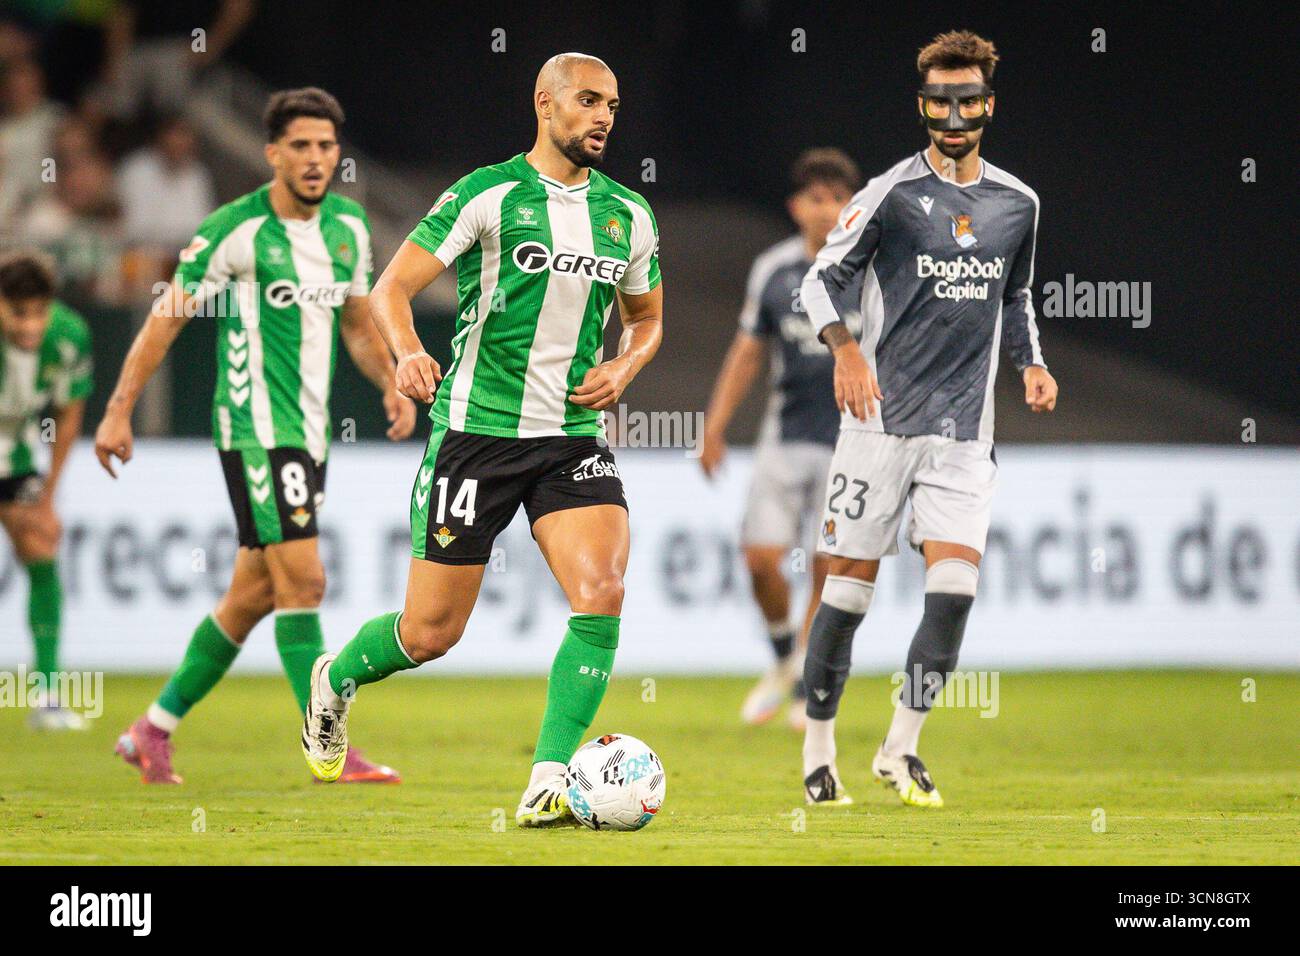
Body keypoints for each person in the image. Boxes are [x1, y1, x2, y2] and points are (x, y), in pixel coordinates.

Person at [298, 53, 663, 829]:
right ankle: (335, 677)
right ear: (545, 103)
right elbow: (389, 289)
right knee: (430, 634)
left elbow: (648, 318)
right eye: (589, 100)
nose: (603, 116)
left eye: (613, 105)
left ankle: (547, 780)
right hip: (475, 435)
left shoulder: (628, 214)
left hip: (570, 439)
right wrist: (408, 354)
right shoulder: (487, 193)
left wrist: (624, 367)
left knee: (602, 593)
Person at [94, 87, 413, 784]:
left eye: (327, 146)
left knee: (254, 594)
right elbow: (165, 318)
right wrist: (119, 409)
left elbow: (359, 326)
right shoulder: (234, 230)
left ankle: (151, 730)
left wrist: (389, 381)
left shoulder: (349, 231)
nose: (315, 158)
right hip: (255, 429)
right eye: (300, 145)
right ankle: (327, 743)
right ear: (272, 153)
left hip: (311, 433)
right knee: (306, 580)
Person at [798, 31, 1059, 807]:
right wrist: (845, 351)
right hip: (878, 424)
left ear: (988, 103)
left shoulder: (1019, 205)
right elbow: (818, 283)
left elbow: (1015, 296)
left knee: (953, 591)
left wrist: (1032, 364)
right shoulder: (888, 194)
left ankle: (900, 748)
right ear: (922, 105)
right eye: (939, 100)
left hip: (963, 436)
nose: (953, 114)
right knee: (846, 597)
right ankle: (818, 751)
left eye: (967, 99)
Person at [700, 148, 862, 730]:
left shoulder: (871, 270)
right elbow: (748, 351)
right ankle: (784, 658)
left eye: (839, 198)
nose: (828, 209)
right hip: (785, 435)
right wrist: (714, 426)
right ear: (796, 206)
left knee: (827, 568)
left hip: (855, 444)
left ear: (854, 205)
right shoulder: (775, 269)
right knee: (761, 560)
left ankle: (806, 682)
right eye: (817, 198)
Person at [0, 251, 92, 729]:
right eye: (19, 313)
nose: (31, 325)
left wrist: (50, 495)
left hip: (13, 455)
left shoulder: (69, 335)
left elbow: (69, 410)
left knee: (40, 545)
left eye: (39, 311)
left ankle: (48, 695)